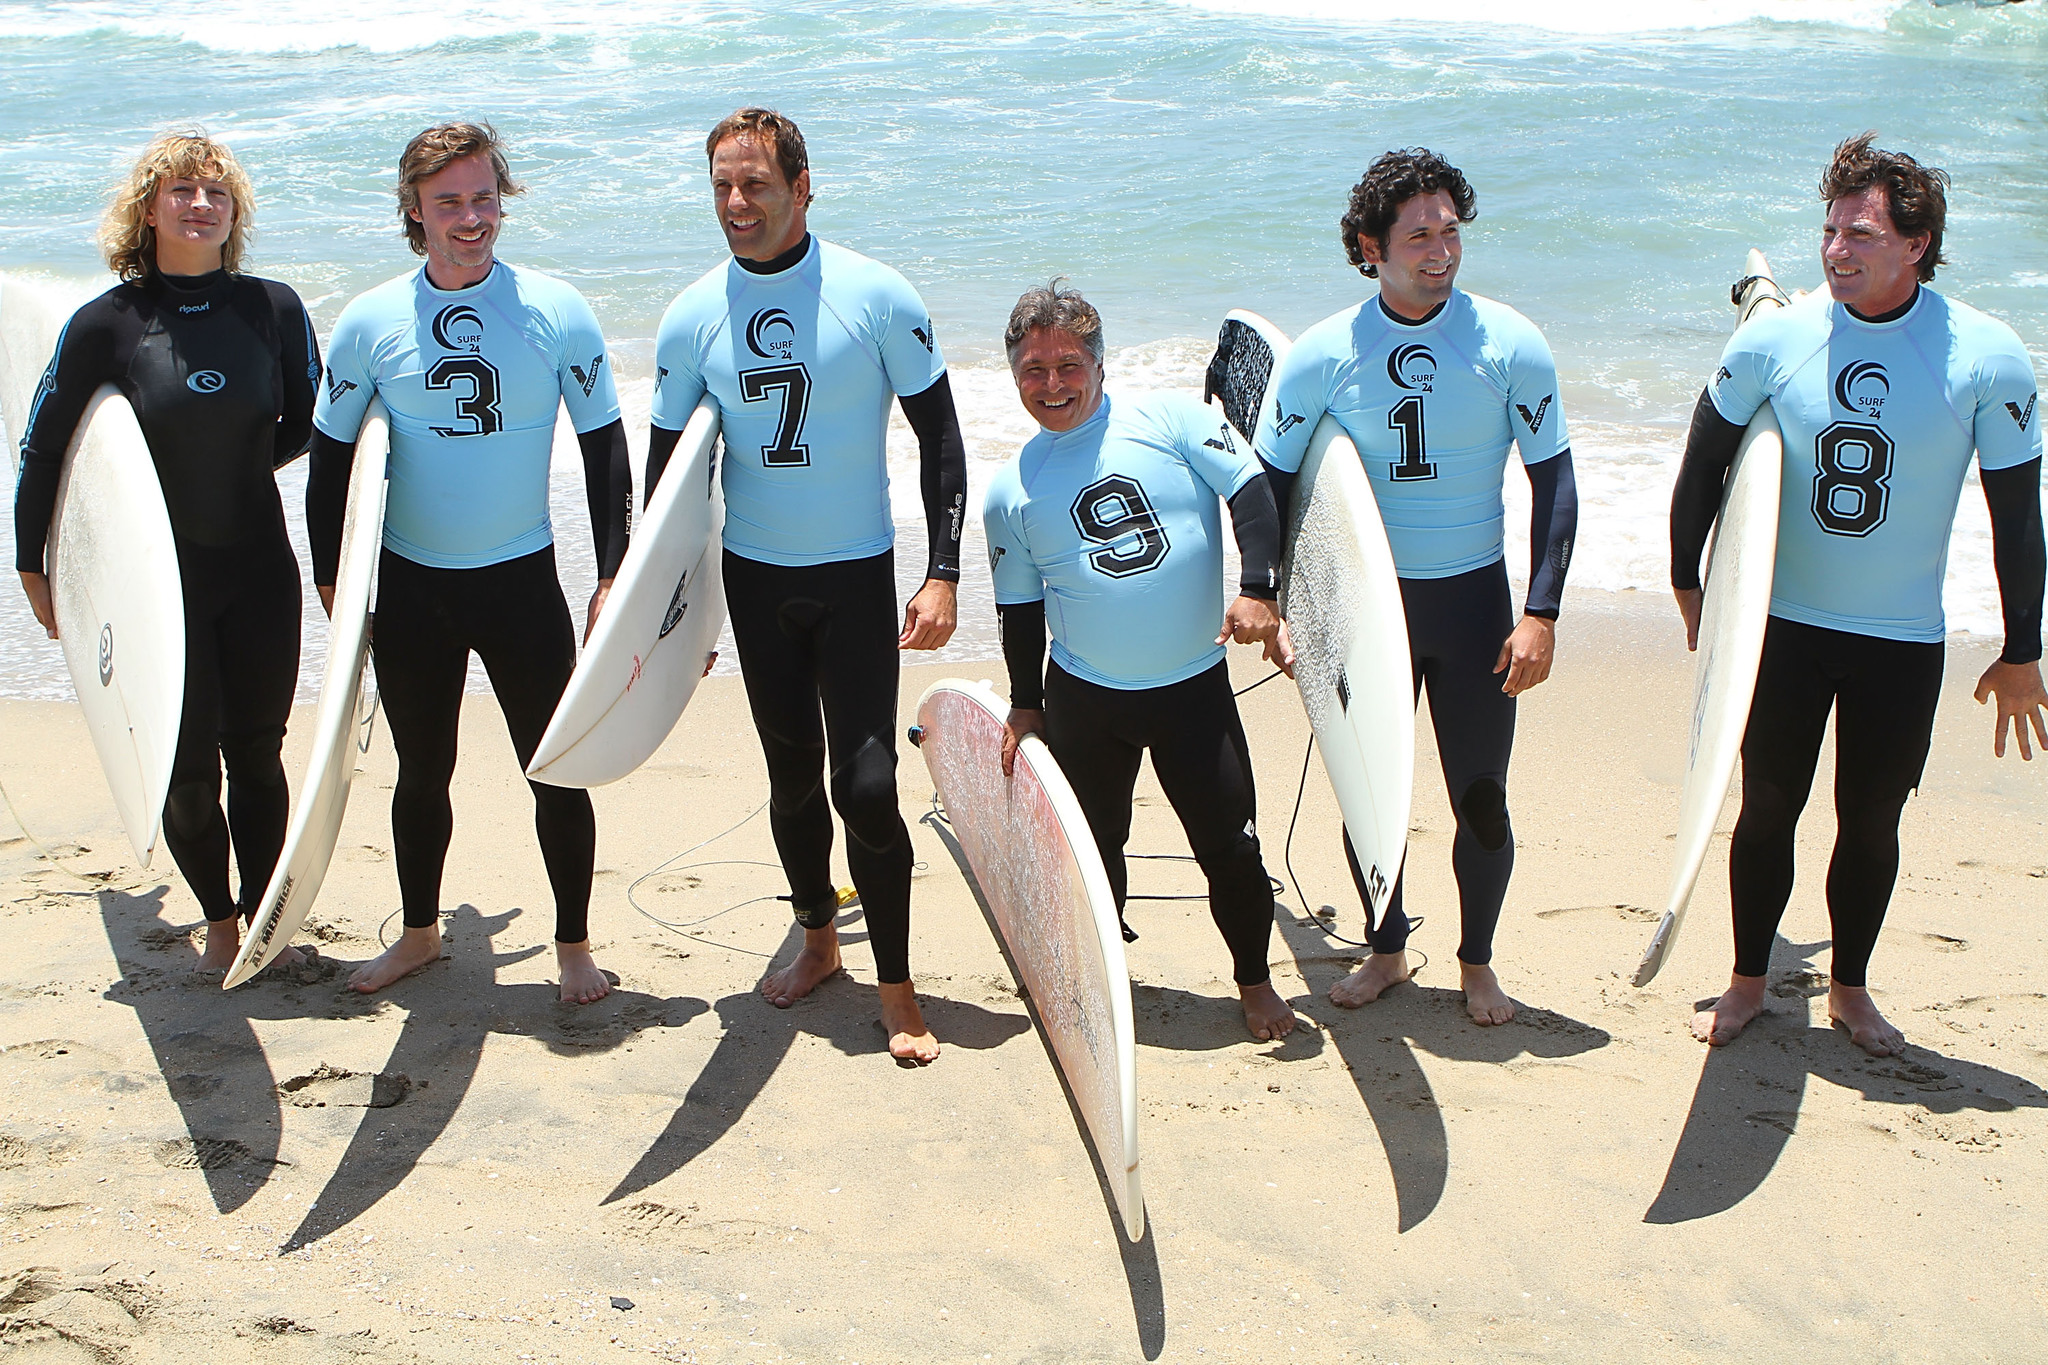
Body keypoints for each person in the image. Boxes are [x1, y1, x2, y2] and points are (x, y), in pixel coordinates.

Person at [1673, 134, 2046, 1057]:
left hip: (1901, 638)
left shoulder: (1986, 358)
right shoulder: (1772, 339)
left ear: (1917, 244)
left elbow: (2017, 517)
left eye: (1862, 233)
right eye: (1831, 229)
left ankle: (1849, 988)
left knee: (1871, 818)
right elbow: (1704, 463)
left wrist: (2023, 646)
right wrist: (1690, 582)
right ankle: (1748, 978)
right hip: (1784, 627)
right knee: (1766, 808)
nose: (1838, 249)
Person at [647, 108, 968, 1063]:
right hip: (754, 578)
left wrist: (943, 572)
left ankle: (898, 987)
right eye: (721, 187)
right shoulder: (692, 313)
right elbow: (672, 484)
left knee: (867, 784)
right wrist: (674, 616)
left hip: (855, 573)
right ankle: (820, 938)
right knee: (790, 778)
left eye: (756, 185)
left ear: (802, 186)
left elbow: (942, 439)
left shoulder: (874, 295)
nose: (737, 204)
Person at [306, 122, 633, 1005]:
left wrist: (615, 574)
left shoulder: (556, 309)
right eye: (448, 200)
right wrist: (330, 580)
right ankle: (419, 933)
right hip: (414, 585)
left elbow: (604, 446)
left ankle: (573, 945)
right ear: (414, 209)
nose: (471, 216)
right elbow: (330, 457)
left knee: (554, 765)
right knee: (422, 771)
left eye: (484, 196)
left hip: (522, 580)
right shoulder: (371, 320)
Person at [1255, 148, 1579, 1026]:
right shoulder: (1325, 354)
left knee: (1482, 796)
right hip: (1363, 609)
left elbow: (1556, 483)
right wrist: (1276, 602)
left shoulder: (1509, 343)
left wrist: (1540, 612)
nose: (1440, 250)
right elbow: (1273, 488)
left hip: (1474, 604)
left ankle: (1477, 959)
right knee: (1371, 792)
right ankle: (1388, 946)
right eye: (1418, 235)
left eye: (1450, 230)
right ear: (1370, 247)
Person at [13, 130, 318, 973]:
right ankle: (218, 919)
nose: (200, 205)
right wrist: (37, 566)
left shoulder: (274, 308)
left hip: (258, 567)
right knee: (185, 767)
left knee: (257, 750)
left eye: (216, 194)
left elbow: (305, 424)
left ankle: (263, 917)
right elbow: (47, 446)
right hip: (157, 582)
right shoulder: (108, 324)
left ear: (233, 214)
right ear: (148, 209)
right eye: (181, 191)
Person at [987, 280, 1299, 1041]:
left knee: (1230, 845)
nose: (1052, 383)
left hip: (1193, 687)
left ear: (1099, 361)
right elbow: (1020, 609)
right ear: (1015, 375)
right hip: (1086, 696)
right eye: (1034, 369)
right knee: (1092, 850)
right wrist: (1026, 702)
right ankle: (1100, 976)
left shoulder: (1174, 419)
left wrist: (1261, 588)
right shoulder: (1012, 488)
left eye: (1067, 364)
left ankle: (1254, 981)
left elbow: (1252, 492)